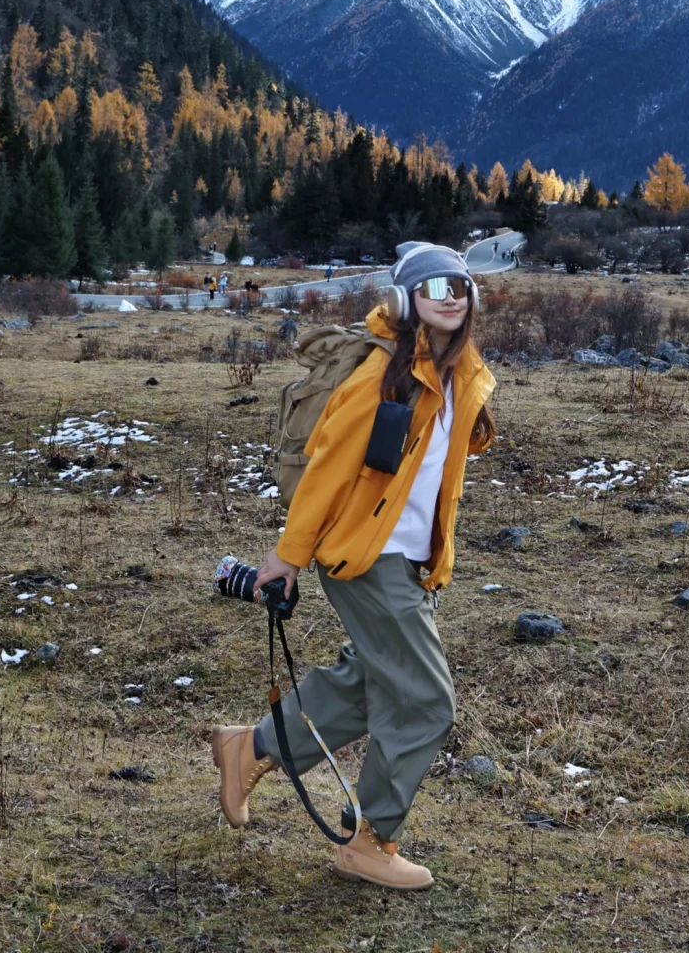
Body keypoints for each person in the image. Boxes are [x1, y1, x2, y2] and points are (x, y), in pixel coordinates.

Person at [211, 242, 495, 890]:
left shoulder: (454, 371)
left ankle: (250, 748)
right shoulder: (384, 375)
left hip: (413, 559)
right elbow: (328, 471)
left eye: (460, 284)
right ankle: (372, 840)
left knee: (372, 682)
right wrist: (286, 557)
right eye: (434, 286)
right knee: (424, 698)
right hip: (369, 557)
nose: (450, 294)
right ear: (405, 300)